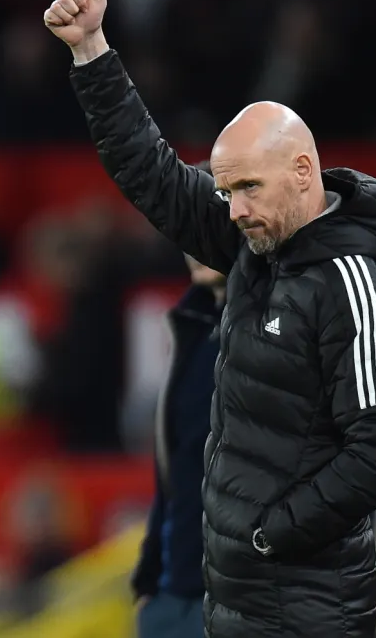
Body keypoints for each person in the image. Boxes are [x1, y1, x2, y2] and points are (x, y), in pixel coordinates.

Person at [44, 0, 376, 637]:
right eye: (224, 191)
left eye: (247, 187)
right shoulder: (256, 244)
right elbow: (152, 175)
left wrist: (269, 535)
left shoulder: (351, 283)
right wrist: (90, 49)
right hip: (239, 602)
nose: (234, 208)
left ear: (303, 172)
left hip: (306, 612)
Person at [134, 253, 225, 638]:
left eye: (210, 221)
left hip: (249, 600)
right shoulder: (193, 326)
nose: (194, 245)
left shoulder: (291, 326)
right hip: (175, 595)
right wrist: (152, 577)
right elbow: (177, 469)